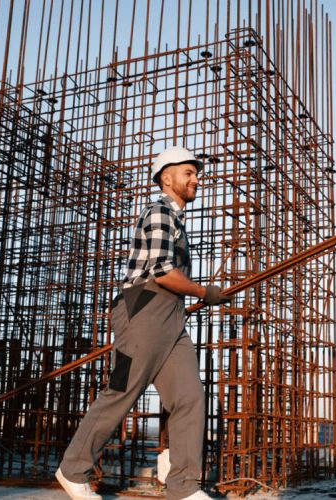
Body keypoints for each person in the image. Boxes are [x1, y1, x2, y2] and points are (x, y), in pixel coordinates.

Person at [56, 146, 230, 500]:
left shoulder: (176, 219)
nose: (196, 180)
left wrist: (193, 295)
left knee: (189, 397)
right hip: (145, 308)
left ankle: (183, 486)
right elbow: (163, 272)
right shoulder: (160, 212)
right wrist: (205, 292)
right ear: (167, 178)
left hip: (170, 315)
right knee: (122, 391)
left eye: (196, 174)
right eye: (189, 174)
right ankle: (73, 469)